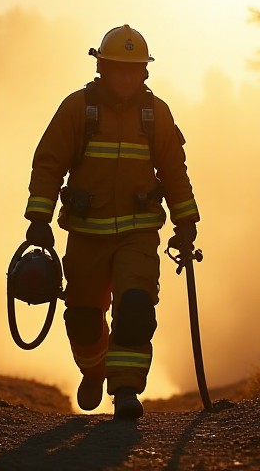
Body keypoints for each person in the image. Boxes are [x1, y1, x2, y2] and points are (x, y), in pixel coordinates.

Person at [23, 24, 199, 420]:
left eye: (132, 70)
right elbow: (49, 162)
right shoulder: (77, 109)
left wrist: (185, 221)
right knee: (84, 318)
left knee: (136, 307)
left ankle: (124, 390)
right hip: (86, 236)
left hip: (138, 234)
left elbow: (174, 171)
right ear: (102, 67)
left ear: (144, 73)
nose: (124, 77)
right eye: (117, 68)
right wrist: (39, 217)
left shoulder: (156, 115)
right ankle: (93, 369)